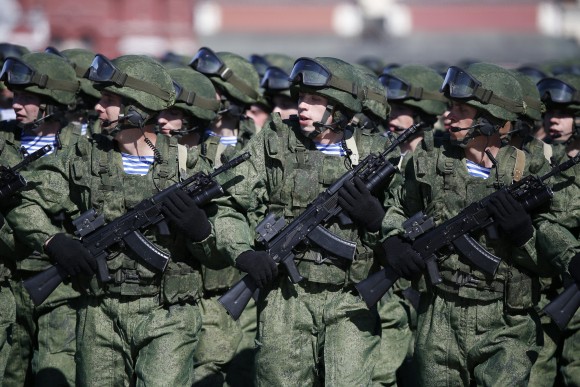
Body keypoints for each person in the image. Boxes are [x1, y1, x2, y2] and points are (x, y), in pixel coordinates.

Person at [4, 53, 221, 386]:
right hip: (100, 311)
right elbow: (27, 199)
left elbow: (226, 242)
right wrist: (52, 240)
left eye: (109, 100)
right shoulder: (82, 157)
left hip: (168, 312)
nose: (98, 107)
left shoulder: (187, 165)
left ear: (137, 106)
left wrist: (204, 232)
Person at [212, 56, 400, 386]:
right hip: (286, 297)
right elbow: (229, 205)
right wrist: (243, 253)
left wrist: (376, 220)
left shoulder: (377, 153)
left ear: (340, 107)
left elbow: (402, 221)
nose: (302, 106)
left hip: (350, 298)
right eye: (300, 97)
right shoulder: (273, 142)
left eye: (315, 100)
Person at [380, 63, 551, 385]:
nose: (449, 116)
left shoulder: (533, 169)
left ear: (490, 117)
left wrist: (524, 234)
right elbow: (399, 208)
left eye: (461, 109)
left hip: (504, 317)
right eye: (450, 107)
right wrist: (394, 238)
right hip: (439, 310)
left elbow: (556, 247)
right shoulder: (429, 160)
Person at [0, 50, 87, 386]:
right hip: (6, 283)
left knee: (56, 374)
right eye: (15, 95)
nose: (17, 104)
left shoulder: (83, 149)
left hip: (60, 284)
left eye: (27, 97)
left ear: (53, 102)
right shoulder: (3, 138)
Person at [189, 47, 265, 386]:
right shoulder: (185, 141)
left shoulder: (264, 144)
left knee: (248, 370)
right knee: (205, 371)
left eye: (212, 87)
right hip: (199, 285)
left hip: (252, 281)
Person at [535, 73, 580, 385]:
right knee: (535, 372)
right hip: (540, 287)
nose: (554, 121)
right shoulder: (537, 159)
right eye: (550, 114)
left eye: (563, 114)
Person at [157, 66, 220, 148]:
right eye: (159, 112)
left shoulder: (221, 157)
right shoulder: (149, 154)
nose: (160, 120)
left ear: (195, 119)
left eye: (173, 113)